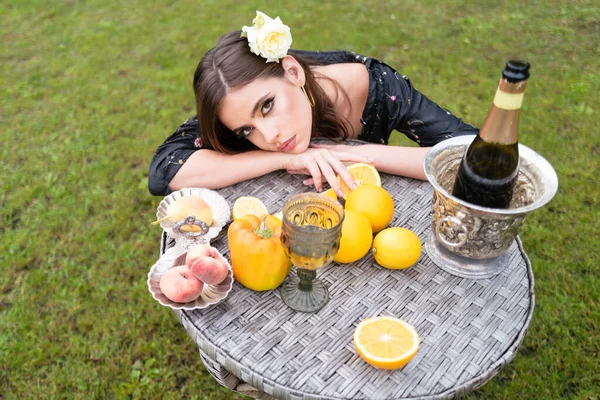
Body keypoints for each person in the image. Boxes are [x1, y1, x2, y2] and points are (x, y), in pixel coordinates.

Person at [148, 11, 478, 197]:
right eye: (247, 130)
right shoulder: (235, 98)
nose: (270, 136)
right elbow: (166, 171)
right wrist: (281, 159)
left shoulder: (376, 86)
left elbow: (480, 158)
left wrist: (355, 154)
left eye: (267, 107)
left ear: (292, 72)